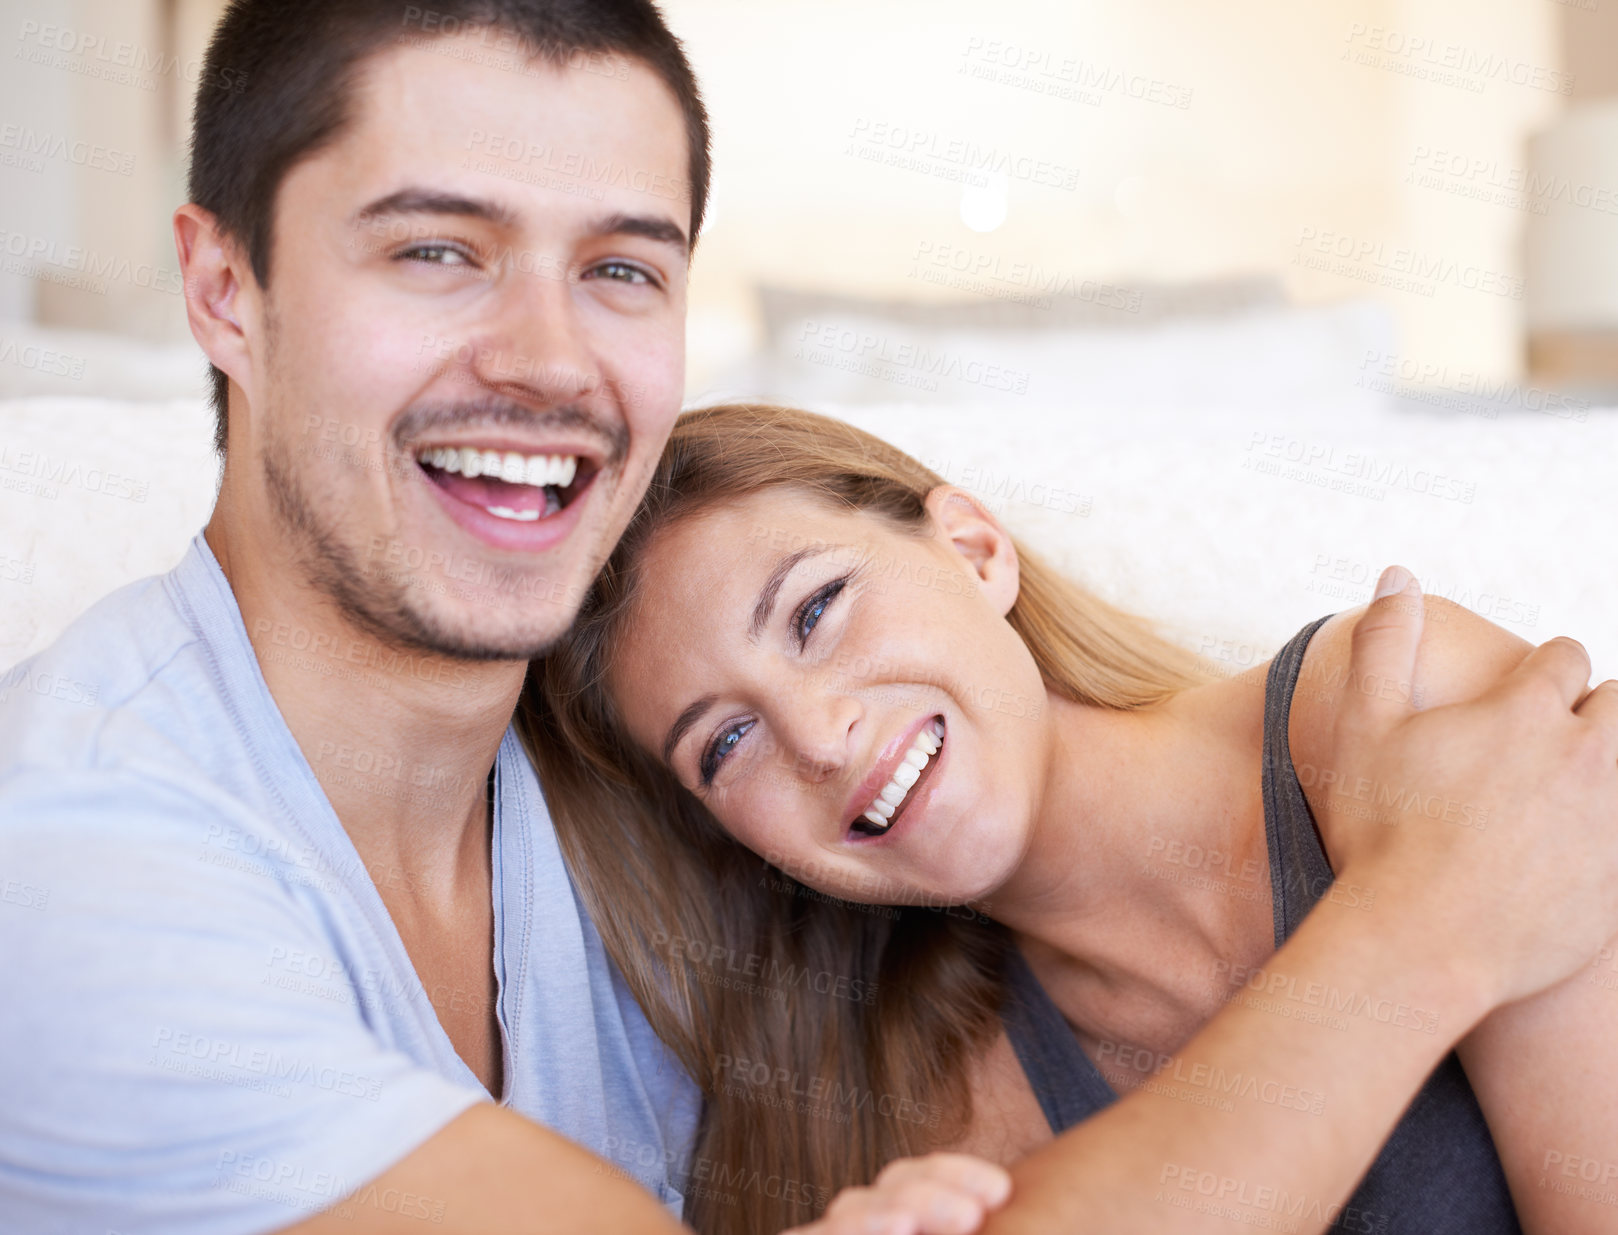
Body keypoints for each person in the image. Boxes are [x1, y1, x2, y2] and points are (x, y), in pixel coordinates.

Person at [0, 3, 1615, 1234]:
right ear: (225, 293)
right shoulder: (71, 856)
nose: (548, 361)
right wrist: (1432, 918)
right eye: (438, 249)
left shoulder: (626, 842)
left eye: (622, 271)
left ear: (969, 543)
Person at [528, 403, 1618, 1235]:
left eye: (816, 609)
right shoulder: (917, 1117)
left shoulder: (1393, 704)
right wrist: (1422, 915)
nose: (818, 736)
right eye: (724, 743)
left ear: (973, 548)